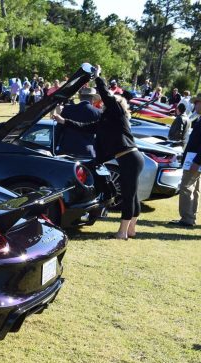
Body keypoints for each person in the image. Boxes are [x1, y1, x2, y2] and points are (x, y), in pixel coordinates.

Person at [53, 64, 143, 240]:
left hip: (130, 158)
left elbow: (107, 97)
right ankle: (131, 230)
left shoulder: (118, 114)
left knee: (128, 194)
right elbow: (84, 127)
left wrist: (98, 77)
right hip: (129, 158)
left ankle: (122, 232)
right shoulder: (106, 121)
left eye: (106, 102)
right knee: (132, 194)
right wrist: (64, 121)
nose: (102, 103)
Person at [170, 94, 201, 227]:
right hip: (194, 159)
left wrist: (197, 161)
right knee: (194, 188)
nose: (195, 105)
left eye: (197, 103)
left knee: (186, 187)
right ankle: (190, 216)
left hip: (195, 160)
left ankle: (187, 218)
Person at [54, 88, 102, 158]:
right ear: (93, 99)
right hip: (87, 152)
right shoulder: (98, 112)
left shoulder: (67, 109)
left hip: (66, 150)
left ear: (79, 97)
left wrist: (52, 149)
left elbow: (58, 130)